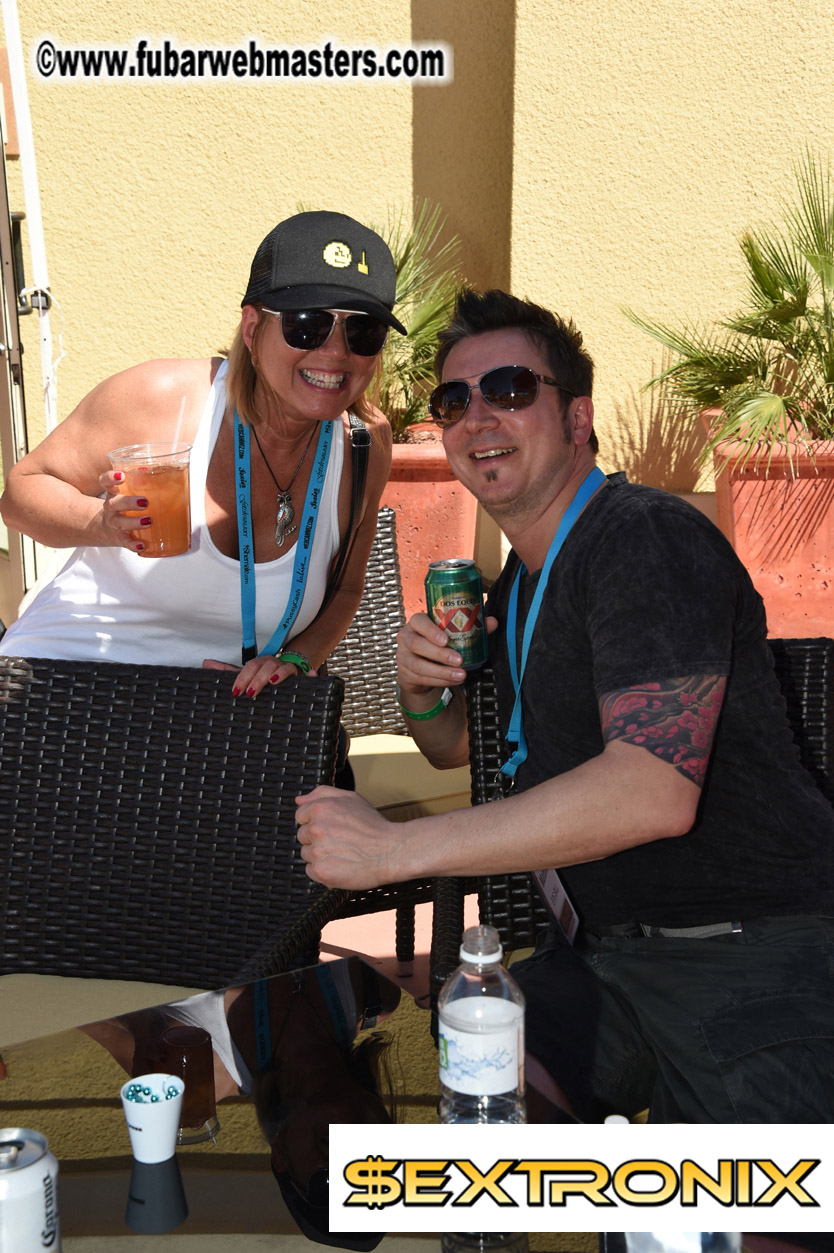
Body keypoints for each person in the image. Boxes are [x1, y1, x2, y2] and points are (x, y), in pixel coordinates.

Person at [295, 287, 834, 1124]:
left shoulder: (642, 539)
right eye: (454, 400)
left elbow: (651, 790)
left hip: (747, 951)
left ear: (578, 418)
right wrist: (418, 694)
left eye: (510, 388)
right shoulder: (519, 585)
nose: (477, 416)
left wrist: (392, 851)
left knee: (743, 1225)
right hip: (601, 961)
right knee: (476, 1152)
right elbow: (456, 752)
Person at [0, 210, 404, 701]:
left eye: (363, 333)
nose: (336, 352)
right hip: (67, 689)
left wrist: (298, 659)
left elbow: (345, 591)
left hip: (209, 727)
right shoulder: (164, 398)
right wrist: (99, 524)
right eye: (307, 325)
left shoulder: (364, 445)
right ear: (253, 328)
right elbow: (20, 493)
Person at [81, 955, 399, 1250]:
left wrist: (141, 1024)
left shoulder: (193, 1077)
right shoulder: (376, 994)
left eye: (327, 1184)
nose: (349, 1164)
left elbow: (70, 995)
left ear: (281, 1158)